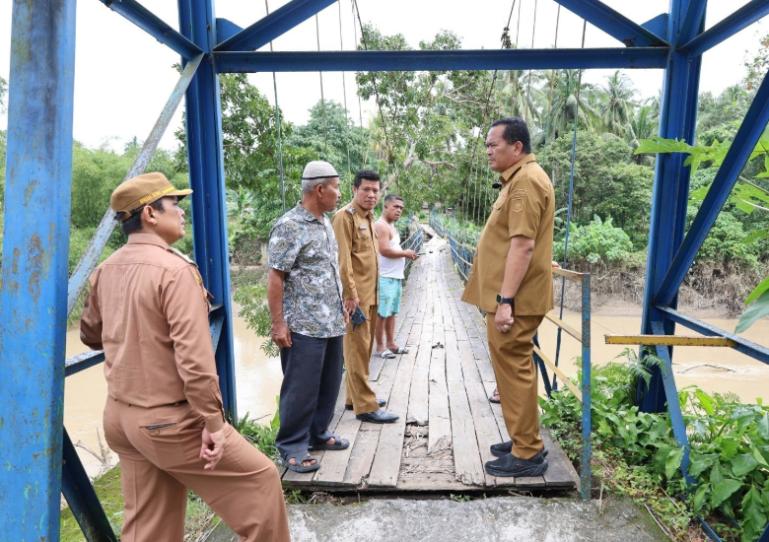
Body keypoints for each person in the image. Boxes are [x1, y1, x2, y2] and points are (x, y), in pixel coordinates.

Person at [80, 172, 290, 542]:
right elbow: (195, 360)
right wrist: (213, 423)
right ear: (149, 214)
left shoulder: (104, 270)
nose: (182, 213)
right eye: (175, 205)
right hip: (169, 422)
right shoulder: (175, 271)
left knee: (150, 528)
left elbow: (90, 335)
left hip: (121, 420)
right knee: (260, 482)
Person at [461, 117, 555, 478]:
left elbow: (523, 244)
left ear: (516, 147)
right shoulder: (520, 179)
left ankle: (527, 453)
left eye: (493, 145)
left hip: (516, 299)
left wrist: (505, 301)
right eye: (486, 145)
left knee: (514, 371)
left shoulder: (524, 184)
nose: (487, 151)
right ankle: (523, 438)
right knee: (514, 370)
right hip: (518, 295)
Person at [267, 160, 350, 473]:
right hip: (303, 325)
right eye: (336, 187)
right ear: (320, 189)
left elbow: (327, 270)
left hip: (330, 322)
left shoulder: (325, 221)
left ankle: (317, 433)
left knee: (329, 384)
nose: (339, 193)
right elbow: (276, 278)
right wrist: (278, 324)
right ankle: (291, 446)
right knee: (300, 389)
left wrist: (342, 303)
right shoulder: (289, 226)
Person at [332, 170, 399, 424]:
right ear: (354, 190)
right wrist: (350, 296)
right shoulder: (344, 217)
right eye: (366, 190)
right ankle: (366, 406)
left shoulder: (369, 218)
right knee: (357, 349)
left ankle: (354, 397)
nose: (371, 194)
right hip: (355, 299)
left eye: (375, 190)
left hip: (371, 295)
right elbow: (344, 260)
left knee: (363, 349)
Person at [374, 194, 417, 359]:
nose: (399, 210)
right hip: (385, 277)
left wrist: (405, 254)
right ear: (385, 207)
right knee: (382, 313)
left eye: (401, 208)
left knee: (392, 312)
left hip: (395, 277)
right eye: (395, 207)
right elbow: (383, 249)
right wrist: (404, 253)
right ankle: (380, 347)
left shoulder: (392, 226)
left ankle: (391, 344)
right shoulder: (381, 226)